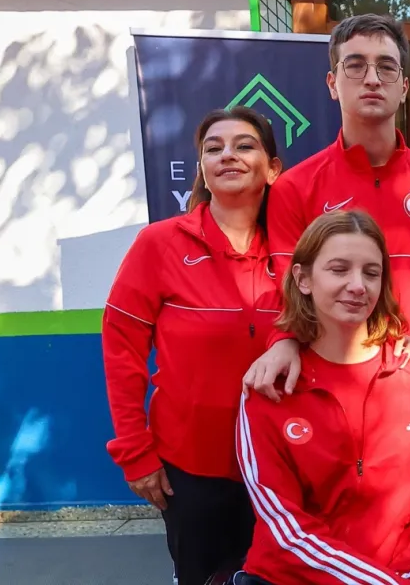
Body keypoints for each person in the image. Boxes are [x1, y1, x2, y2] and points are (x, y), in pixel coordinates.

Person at [244, 12, 410, 399]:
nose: (372, 79)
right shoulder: (294, 188)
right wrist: (283, 339)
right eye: (355, 65)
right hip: (322, 394)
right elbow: (285, 288)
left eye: (386, 67)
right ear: (332, 83)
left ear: (404, 87)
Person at [235, 210, 410, 585]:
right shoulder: (268, 388)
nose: (358, 286)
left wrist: (406, 577)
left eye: (371, 273)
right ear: (303, 279)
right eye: (339, 269)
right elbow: (285, 525)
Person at [102, 108, 282, 585]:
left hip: (285, 463)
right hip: (192, 467)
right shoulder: (159, 244)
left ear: (273, 168)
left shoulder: (299, 250)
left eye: (244, 145)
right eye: (213, 148)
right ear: (202, 167)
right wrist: (135, 452)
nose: (228, 155)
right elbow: (121, 351)